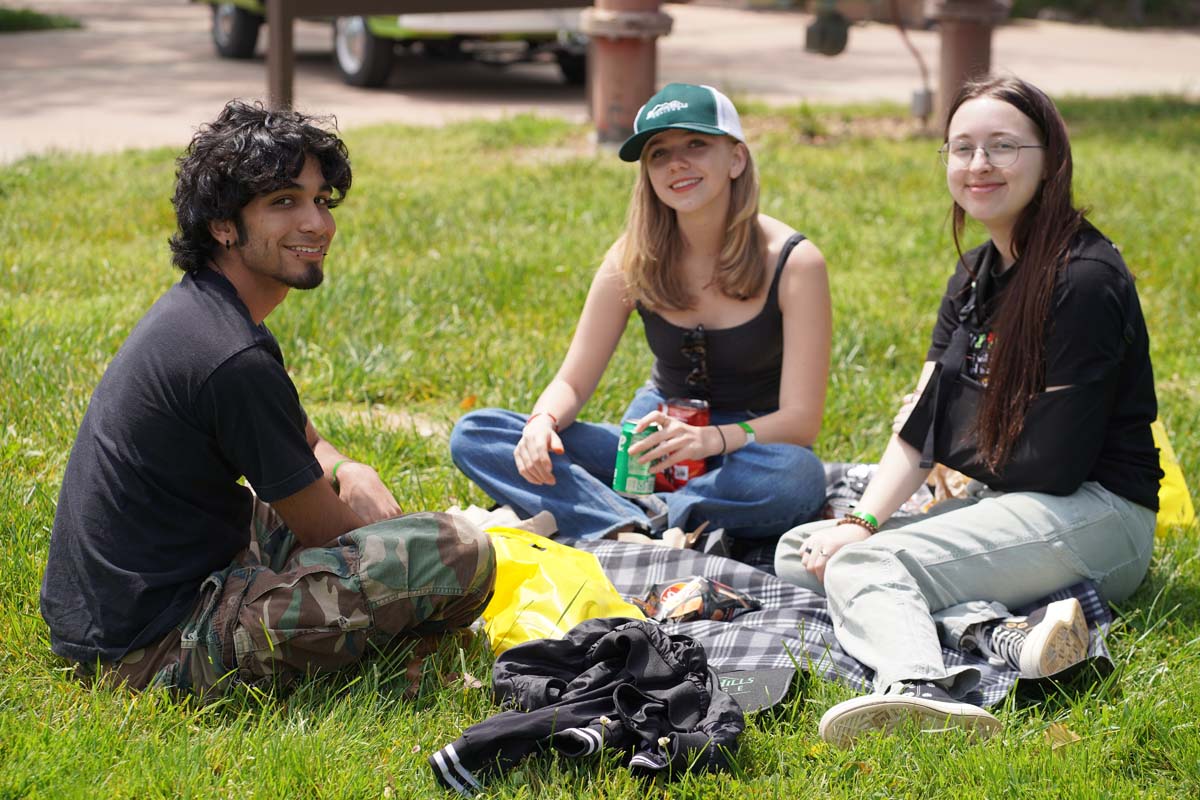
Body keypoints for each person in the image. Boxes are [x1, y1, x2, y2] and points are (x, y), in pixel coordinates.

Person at [39, 101, 496, 697]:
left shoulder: (209, 310)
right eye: (284, 202)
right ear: (224, 225)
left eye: (321, 200)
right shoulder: (233, 358)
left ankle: (382, 637)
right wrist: (395, 546)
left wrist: (348, 467)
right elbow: (328, 532)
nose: (318, 224)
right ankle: (387, 656)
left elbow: (304, 437)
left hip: (119, 605)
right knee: (461, 550)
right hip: (149, 648)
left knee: (393, 534)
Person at [775, 75, 1162, 747]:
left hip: (1097, 513)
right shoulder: (976, 273)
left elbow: (1054, 462)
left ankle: (917, 689)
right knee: (803, 551)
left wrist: (945, 437)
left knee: (863, 567)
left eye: (1003, 146)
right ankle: (999, 632)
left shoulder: (1084, 280)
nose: (979, 165)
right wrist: (864, 519)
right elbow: (920, 427)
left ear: (1050, 160)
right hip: (1010, 495)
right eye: (962, 148)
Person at [450, 83, 831, 546]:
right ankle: (638, 523)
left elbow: (801, 420)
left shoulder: (794, 262)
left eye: (696, 144)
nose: (677, 164)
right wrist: (541, 423)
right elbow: (572, 382)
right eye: (658, 153)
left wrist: (712, 439)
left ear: (736, 159)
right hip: (650, 448)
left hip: (748, 453)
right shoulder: (632, 257)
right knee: (478, 432)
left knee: (799, 479)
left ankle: (625, 516)